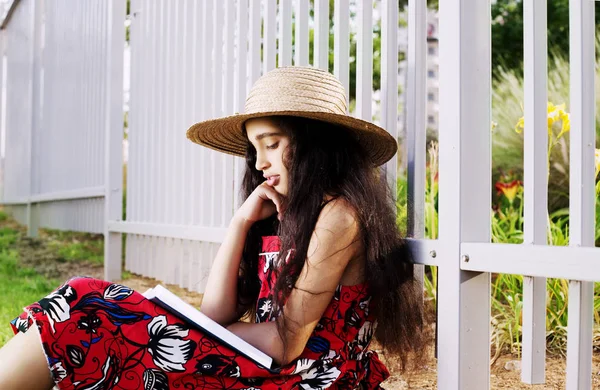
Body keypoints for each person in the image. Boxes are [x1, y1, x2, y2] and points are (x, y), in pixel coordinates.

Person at [0, 66, 424, 389]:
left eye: (273, 144)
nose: (260, 164)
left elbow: (286, 342)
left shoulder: (341, 216)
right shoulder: (287, 211)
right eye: (254, 149)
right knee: (87, 302)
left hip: (303, 377)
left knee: (90, 304)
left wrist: (187, 327)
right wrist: (240, 223)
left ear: (316, 143)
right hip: (261, 362)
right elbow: (214, 313)